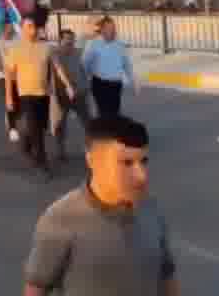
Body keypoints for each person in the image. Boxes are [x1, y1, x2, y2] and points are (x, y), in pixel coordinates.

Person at [23, 116, 178, 296]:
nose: (141, 175)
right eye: (127, 163)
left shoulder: (150, 208)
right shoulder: (60, 219)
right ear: (92, 161)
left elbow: (166, 274)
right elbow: (36, 289)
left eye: (143, 161)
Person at [5, 17, 76, 178]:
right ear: (22, 29)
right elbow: (9, 74)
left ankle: (26, 145)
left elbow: (58, 68)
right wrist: (9, 97)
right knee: (35, 129)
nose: (33, 29)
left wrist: (68, 85)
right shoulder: (15, 49)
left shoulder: (46, 48)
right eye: (29, 26)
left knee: (41, 128)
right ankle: (42, 165)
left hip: (43, 95)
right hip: (26, 95)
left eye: (34, 26)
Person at [81, 17, 137, 118]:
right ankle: (103, 132)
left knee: (114, 111)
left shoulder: (120, 45)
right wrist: (87, 81)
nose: (113, 31)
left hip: (116, 84)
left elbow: (127, 64)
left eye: (114, 28)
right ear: (102, 30)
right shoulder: (93, 44)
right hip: (100, 84)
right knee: (104, 112)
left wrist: (133, 81)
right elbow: (85, 64)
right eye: (110, 28)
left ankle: (111, 132)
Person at [50, 28, 91, 163]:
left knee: (88, 122)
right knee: (60, 124)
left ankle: (90, 149)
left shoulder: (78, 52)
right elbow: (59, 70)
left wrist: (87, 88)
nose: (71, 43)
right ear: (60, 40)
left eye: (72, 40)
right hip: (62, 95)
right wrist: (68, 86)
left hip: (79, 93)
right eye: (68, 41)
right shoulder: (54, 53)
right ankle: (60, 152)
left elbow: (83, 70)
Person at [0, 22, 20, 142]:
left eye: (11, 26)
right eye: (7, 27)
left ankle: (11, 117)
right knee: (10, 100)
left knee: (18, 102)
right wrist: (3, 67)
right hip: (3, 77)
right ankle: (13, 128)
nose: (10, 29)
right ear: (3, 28)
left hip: (18, 77)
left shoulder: (18, 39)